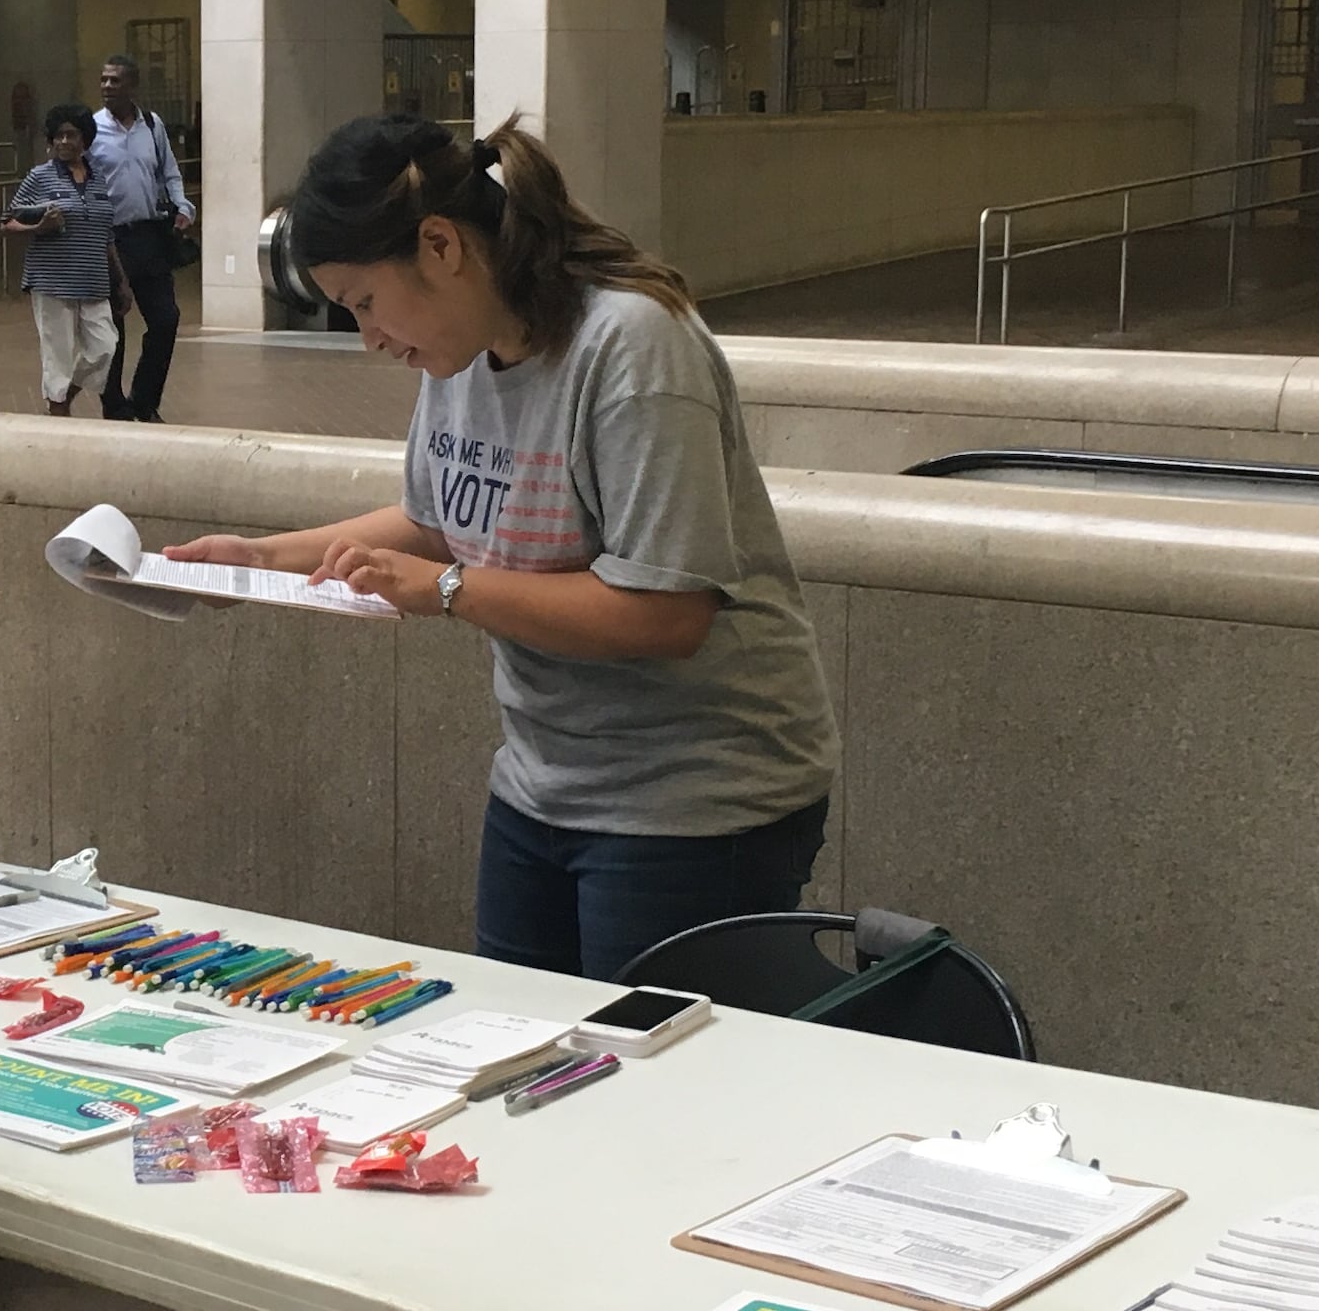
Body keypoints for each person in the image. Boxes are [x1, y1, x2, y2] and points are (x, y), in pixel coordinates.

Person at [164, 116, 835, 983]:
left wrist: (444, 589)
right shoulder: (459, 357)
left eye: (366, 302)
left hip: (696, 797)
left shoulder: (632, 347)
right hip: (539, 781)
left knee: (637, 1085)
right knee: (522, 1050)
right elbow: (436, 519)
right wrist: (259, 561)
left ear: (440, 245)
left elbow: (667, 613)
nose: (368, 338)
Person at [90, 55, 192, 423]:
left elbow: (170, 171)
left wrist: (183, 206)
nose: (106, 87)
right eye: (102, 80)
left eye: (114, 81)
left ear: (132, 85)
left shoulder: (152, 124)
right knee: (113, 328)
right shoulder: (92, 129)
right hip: (110, 239)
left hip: (149, 236)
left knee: (165, 319)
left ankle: (145, 401)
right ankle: (115, 406)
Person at [8, 102, 120, 415]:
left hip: (94, 281)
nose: (64, 142)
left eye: (71, 135)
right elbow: (8, 222)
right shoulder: (39, 178)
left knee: (105, 348)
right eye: (58, 136)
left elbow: (106, 233)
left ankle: (65, 395)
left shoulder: (97, 178)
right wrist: (38, 226)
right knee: (57, 354)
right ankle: (57, 410)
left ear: (85, 139)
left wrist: (120, 280)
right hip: (52, 281)